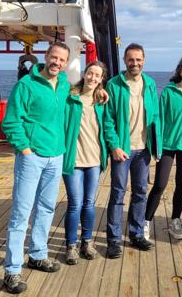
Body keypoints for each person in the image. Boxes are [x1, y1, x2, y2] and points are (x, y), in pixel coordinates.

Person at [1, 42, 71, 294]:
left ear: (66, 63)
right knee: (21, 212)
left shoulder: (63, 84)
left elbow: (76, 96)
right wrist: (25, 149)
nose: (57, 63)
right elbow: (10, 121)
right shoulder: (26, 85)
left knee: (46, 208)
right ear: (46, 56)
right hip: (32, 157)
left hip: (56, 156)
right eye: (54, 57)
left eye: (62, 60)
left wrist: (99, 92)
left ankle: (38, 254)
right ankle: (12, 271)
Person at [104, 43, 161, 259]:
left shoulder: (150, 84)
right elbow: (107, 119)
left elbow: (155, 117)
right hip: (123, 150)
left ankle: (136, 234)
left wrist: (157, 146)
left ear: (144, 60)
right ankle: (114, 240)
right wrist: (114, 145)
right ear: (124, 60)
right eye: (130, 59)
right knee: (118, 194)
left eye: (138, 59)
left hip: (143, 150)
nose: (134, 63)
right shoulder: (114, 84)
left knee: (140, 193)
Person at [145, 57, 182, 240]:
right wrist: (157, 146)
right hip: (168, 145)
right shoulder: (169, 92)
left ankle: (176, 220)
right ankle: (145, 221)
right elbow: (159, 119)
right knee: (160, 184)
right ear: (180, 71)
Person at [62, 61, 109, 265]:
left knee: (89, 203)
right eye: (90, 73)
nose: (92, 78)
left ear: (101, 79)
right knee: (74, 203)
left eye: (97, 75)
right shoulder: (70, 96)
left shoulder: (101, 101)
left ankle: (86, 242)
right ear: (85, 73)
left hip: (94, 160)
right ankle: (71, 245)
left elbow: (109, 126)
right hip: (74, 159)